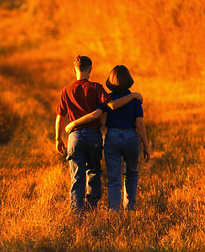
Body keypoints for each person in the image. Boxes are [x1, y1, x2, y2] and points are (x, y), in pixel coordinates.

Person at [55, 57, 143, 215]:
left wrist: (58, 137)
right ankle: (92, 206)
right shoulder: (96, 88)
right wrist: (133, 95)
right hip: (94, 136)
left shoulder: (65, 90)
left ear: (73, 70)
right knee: (94, 171)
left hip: (74, 137)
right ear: (90, 70)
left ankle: (77, 211)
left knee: (77, 175)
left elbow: (60, 117)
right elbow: (108, 107)